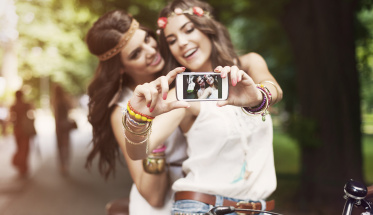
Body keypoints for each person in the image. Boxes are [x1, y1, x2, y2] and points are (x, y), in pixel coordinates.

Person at [124, 0, 283, 214]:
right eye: (171, 40)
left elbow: (275, 91)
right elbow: (137, 151)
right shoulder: (183, 95)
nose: (181, 42)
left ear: (208, 28)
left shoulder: (249, 64)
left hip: (260, 208)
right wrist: (139, 118)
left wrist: (257, 97)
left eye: (188, 29)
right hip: (202, 207)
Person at [84, 10, 188, 214]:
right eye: (136, 53)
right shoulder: (122, 113)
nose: (150, 50)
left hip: (208, 189)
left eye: (148, 39)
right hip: (165, 205)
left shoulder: (181, 73)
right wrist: (151, 133)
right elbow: (153, 196)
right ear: (121, 68)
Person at [9, 90, 36, 178]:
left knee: (20, 148)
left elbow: (11, 119)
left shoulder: (13, 106)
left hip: (17, 130)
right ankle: (23, 168)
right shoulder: (25, 105)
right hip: (24, 130)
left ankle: (22, 168)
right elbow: (32, 113)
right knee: (25, 149)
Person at [52, 84, 77, 175]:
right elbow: (71, 107)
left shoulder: (56, 101)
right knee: (66, 146)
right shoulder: (64, 100)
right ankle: (65, 165)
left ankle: (63, 165)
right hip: (65, 126)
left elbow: (56, 116)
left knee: (60, 146)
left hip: (59, 126)